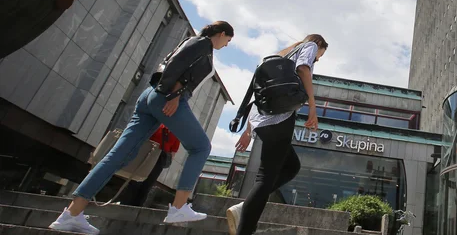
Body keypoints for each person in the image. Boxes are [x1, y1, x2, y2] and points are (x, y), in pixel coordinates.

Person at [49, 21, 234, 234]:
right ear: (221, 34)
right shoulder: (202, 44)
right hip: (166, 96)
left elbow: (172, 65)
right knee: (201, 147)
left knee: (117, 155)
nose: (226, 45)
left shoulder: (194, 43)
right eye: (228, 41)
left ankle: (71, 214)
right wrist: (174, 95)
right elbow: (175, 64)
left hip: (151, 96)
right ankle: (179, 207)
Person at [226, 34, 328, 235]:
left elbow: (259, 96)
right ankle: (245, 226)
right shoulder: (309, 47)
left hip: (262, 120)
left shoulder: (282, 55)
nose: (317, 59)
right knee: (266, 177)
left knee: (291, 166)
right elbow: (303, 69)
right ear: (318, 45)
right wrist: (313, 108)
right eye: (319, 56)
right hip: (281, 119)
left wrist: (248, 130)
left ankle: (247, 206)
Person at [119, 124, 180, 207]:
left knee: (145, 184)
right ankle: (127, 205)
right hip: (149, 157)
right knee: (137, 181)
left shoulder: (175, 133)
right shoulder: (158, 126)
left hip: (156, 159)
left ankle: (133, 206)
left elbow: (173, 152)